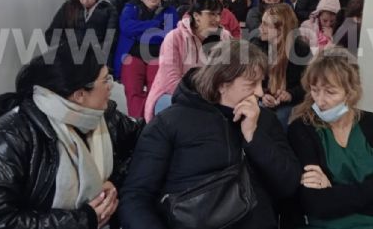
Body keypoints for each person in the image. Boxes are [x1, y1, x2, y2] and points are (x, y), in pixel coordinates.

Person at [0, 43, 143, 229]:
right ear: (79, 95)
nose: (111, 87)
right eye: (105, 80)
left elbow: (145, 143)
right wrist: (82, 221)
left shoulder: (103, 117)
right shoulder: (6, 141)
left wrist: (114, 182)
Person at [118, 40, 302, 229]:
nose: (259, 92)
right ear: (221, 84)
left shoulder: (266, 121)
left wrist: (254, 137)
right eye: (251, 84)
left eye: (261, 83)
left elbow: (289, 184)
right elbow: (136, 197)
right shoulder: (169, 124)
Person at [288, 47, 373, 228]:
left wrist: (334, 194)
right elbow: (315, 204)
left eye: (330, 92)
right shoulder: (302, 128)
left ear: (351, 92)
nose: (320, 101)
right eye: (314, 90)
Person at [143, 0, 231, 121]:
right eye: (211, 14)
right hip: (172, 94)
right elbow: (171, 80)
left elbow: (228, 73)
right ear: (196, 16)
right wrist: (201, 100)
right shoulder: (174, 38)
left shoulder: (224, 37)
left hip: (211, 96)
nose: (217, 19)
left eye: (219, 14)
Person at [114, 0, 178, 118]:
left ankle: (151, 122)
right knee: (132, 90)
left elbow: (167, 34)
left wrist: (139, 33)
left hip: (157, 56)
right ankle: (138, 122)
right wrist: (155, 24)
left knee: (156, 91)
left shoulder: (169, 10)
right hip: (133, 55)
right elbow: (126, 27)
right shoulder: (131, 7)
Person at [251, 3, 312, 128]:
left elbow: (308, 84)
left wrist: (290, 95)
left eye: (266, 25)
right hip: (262, 98)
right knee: (260, 113)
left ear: (280, 30)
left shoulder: (300, 50)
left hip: (292, 103)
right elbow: (249, 79)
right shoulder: (257, 45)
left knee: (282, 117)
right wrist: (263, 95)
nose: (260, 27)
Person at [45, 0, 118, 64]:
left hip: (95, 60)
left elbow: (110, 41)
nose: (84, 1)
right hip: (68, 57)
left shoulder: (109, 10)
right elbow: (50, 34)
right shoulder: (68, 6)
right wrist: (68, 47)